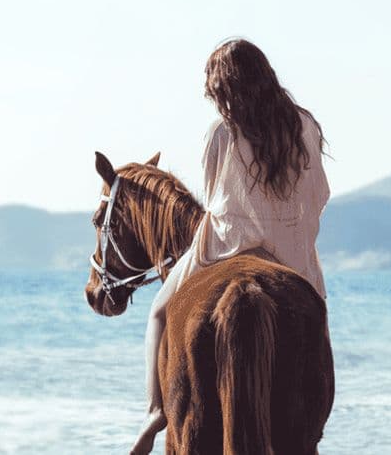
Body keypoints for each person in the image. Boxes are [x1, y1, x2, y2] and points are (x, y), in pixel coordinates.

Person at [130, 38, 330, 455]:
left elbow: (214, 200)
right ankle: (317, 409)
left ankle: (153, 412)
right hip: (290, 251)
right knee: (317, 313)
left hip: (226, 245)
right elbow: (318, 195)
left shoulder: (221, 132)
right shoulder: (305, 126)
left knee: (160, 312)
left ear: (225, 90)